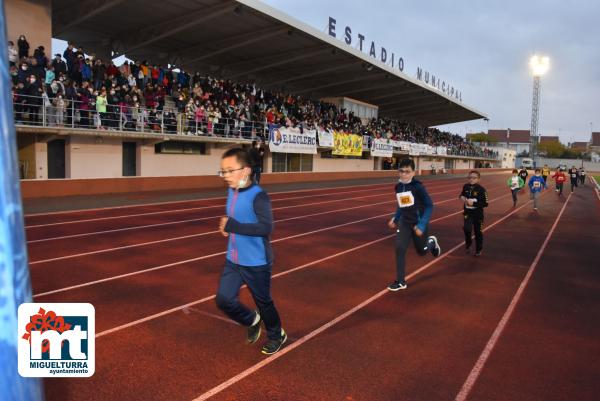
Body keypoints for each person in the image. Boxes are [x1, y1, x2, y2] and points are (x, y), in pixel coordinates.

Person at [215, 147, 287, 355]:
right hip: (234, 258)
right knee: (224, 299)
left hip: (257, 261)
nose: (225, 176)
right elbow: (234, 218)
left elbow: (266, 228)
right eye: (223, 171)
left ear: (245, 170)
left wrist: (233, 226)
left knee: (264, 302)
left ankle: (276, 335)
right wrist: (225, 224)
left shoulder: (259, 196)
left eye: (229, 171)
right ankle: (252, 320)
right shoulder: (232, 190)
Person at [387, 159, 441, 291]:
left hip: (418, 223)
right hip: (404, 222)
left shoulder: (418, 187)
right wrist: (395, 218)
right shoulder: (398, 187)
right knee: (399, 248)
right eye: (401, 171)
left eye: (407, 172)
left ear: (413, 172)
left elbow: (429, 206)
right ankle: (400, 281)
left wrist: (422, 225)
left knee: (421, 251)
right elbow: (402, 205)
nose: (404, 174)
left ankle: (431, 243)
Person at [459, 170, 488, 256]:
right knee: (466, 229)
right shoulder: (465, 186)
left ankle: (478, 249)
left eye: (474, 178)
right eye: (470, 177)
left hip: (478, 215)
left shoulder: (482, 190)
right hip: (468, 213)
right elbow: (461, 195)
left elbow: (485, 203)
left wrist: (474, 203)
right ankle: (468, 243)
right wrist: (462, 198)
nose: (471, 179)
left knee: (478, 232)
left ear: (478, 179)